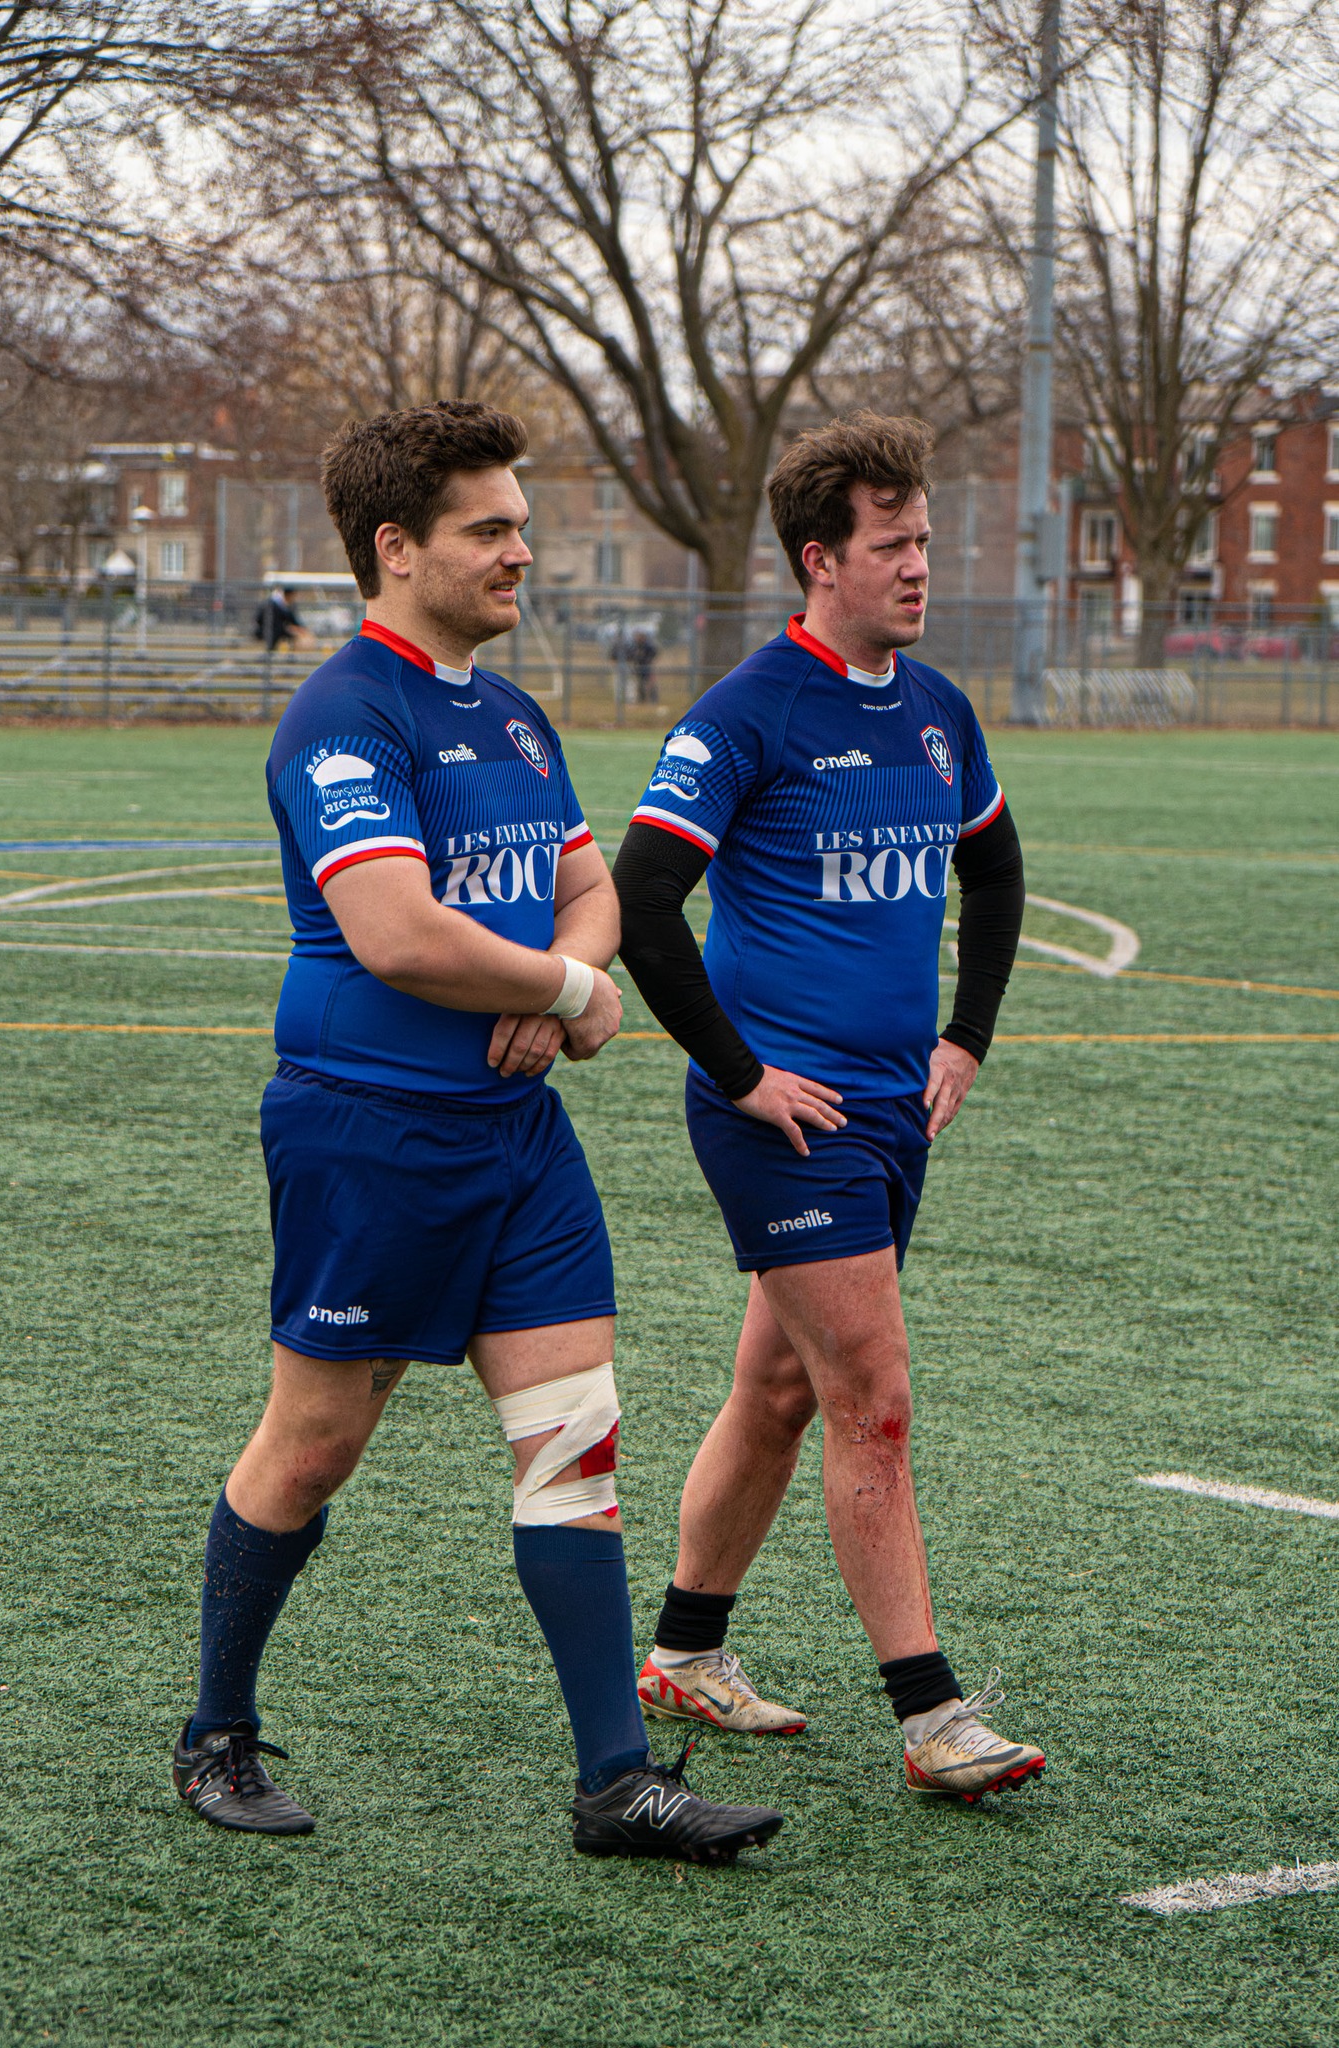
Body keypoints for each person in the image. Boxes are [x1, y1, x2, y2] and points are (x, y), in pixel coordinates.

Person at [172, 400, 781, 1865]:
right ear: (396, 546)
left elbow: (593, 889)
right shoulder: (345, 713)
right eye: (489, 529)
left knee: (575, 1443)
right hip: (369, 1134)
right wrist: (571, 991)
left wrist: (559, 979)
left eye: (522, 526)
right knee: (315, 1446)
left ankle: (616, 1782)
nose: (522, 552)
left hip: (517, 1135)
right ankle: (216, 1731)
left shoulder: (509, 712)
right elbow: (394, 934)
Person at [612, 412, 1045, 1803]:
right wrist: (742, 1074)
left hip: (893, 1113)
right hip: (786, 1123)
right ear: (819, 559)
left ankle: (684, 1650)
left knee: (783, 1388)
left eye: (924, 540)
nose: (919, 566)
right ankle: (932, 1717)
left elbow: (995, 869)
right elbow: (640, 901)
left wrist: (965, 1038)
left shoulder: (936, 711)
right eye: (892, 543)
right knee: (874, 1398)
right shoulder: (745, 713)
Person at [254, 584, 311, 652]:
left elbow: (292, 619)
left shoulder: (280, 603)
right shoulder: (274, 604)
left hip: (275, 630)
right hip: (269, 631)